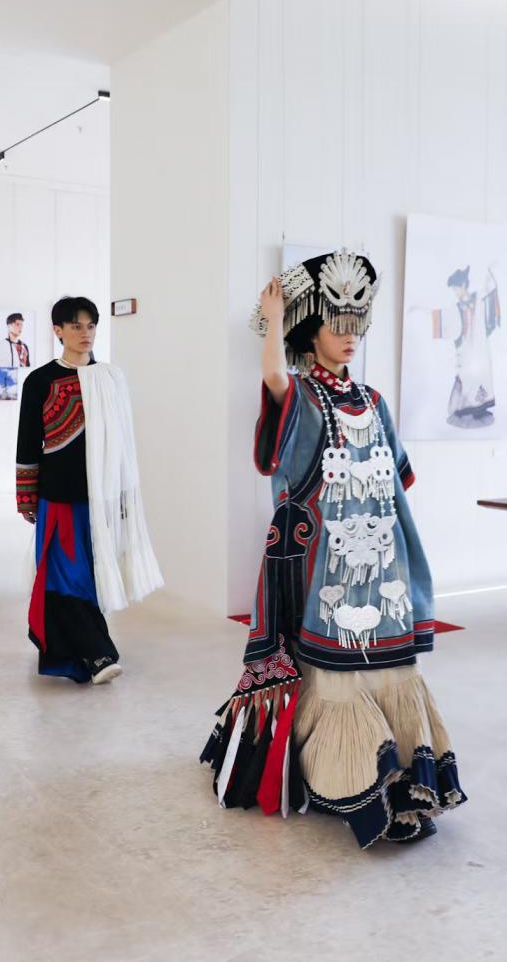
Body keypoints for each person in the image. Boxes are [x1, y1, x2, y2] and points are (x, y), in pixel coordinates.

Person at [200, 251, 466, 847]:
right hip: (320, 560)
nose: (349, 337)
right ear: (310, 334)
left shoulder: (373, 400)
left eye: (356, 327)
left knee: (392, 668)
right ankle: (360, 790)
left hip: (380, 563)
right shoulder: (300, 393)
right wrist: (273, 321)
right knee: (335, 672)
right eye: (336, 326)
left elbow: (395, 483)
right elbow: (273, 382)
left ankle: (405, 784)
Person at [16, 295, 162, 684]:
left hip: (100, 498)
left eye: (91, 325)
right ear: (58, 330)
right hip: (58, 494)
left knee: (91, 574)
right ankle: (97, 653)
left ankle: (73, 650)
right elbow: (28, 441)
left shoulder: (111, 378)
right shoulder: (40, 380)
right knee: (67, 573)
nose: (85, 333)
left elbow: (124, 444)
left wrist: (124, 497)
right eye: (76, 326)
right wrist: (26, 494)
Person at [431, 266, 500, 427]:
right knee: (466, 377)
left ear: (463, 285)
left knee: (482, 376)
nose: (455, 292)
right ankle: (465, 409)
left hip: (480, 346)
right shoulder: (457, 307)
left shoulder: (478, 299)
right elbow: (448, 321)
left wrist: (490, 276)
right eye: (453, 290)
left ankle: (480, 410)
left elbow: (489, 291)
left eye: (456, 289)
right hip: (466, 348)